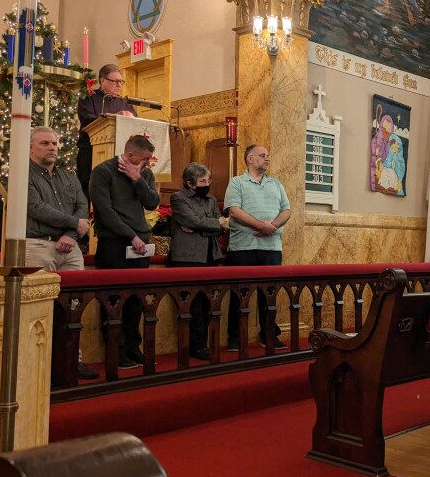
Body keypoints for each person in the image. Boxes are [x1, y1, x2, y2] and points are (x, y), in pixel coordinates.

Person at [25, 126, 98, 380]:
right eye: (45, 143)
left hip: (70, 248)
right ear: (31, 147)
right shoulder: (23, 174)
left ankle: (71, 360)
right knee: (39, 309)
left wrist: (71, 233)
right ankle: (37, 364)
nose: (52, 147)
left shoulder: (69, 176)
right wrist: (73, 223)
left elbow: (82, 204)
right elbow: (35, 208)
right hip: (38, 247)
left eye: (54, 143)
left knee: (73, 308)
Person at [89, 135, 160, 369]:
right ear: (130, 156)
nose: (148, 163)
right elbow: (105, 211)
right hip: (114, 243)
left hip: (140, 241)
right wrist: (131, 236)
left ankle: (132, 347)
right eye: (145, 159)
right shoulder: (103, 172)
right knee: (114, 300)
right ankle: (115, 351)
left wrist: (138, 178)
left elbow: (152, 203)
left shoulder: (144, 173)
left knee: (137, 301)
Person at [224, 144, 291, 351]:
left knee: (269, 294)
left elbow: (286, 210)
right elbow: (234, 211)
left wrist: (272, 226)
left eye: (268, 156)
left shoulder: (276, 184)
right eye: (262, 156)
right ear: (250, 159)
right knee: (240, 295)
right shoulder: (236, 182)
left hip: (271, 247)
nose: (267, 159)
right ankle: (235, 338)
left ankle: (269, 335)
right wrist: (259, 225)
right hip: (243, 247)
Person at [168, 163, 228, 360]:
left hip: (209, 256)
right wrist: (207, 224)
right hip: (187, 258)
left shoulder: (211, 199)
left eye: (208, 180)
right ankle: (194, 346)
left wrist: (203, 226)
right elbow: (192, 220)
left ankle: (203, 343)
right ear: (190, 183)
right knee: (192, 306)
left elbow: (221, 225)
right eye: (203, 181)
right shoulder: (178, 198)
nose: (207, 184)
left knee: (208, 305)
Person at [76, 64, 137, 198]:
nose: (119, 85)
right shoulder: (89, 97)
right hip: (90, 151)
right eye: (114, 81)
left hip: (118, 154)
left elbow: (135, 122)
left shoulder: (125, 102)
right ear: (102, 81)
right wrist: (115, 116)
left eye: (121, 81)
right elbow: (87, 119)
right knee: (88, 189)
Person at [369, 109, 394, 190]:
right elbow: (375, 155)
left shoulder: (389, 143)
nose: (387, 130)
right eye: (385, 127)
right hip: (379, 164)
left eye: (389, 128)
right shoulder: (377, 140)